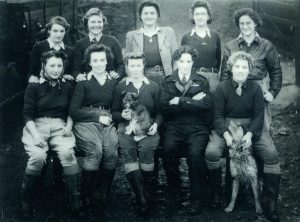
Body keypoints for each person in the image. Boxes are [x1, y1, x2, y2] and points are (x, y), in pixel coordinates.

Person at [206, 51, 281, 222]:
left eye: (244, 67)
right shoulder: (222, 88)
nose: (240, 70)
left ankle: (269, 202)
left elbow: (258, 116)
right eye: (237, 67)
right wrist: (225, 135)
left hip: (251, 128)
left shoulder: (256, 88)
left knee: (270, 153)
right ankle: (217, 195)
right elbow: (217, 116)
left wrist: (249, 135)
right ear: (231, 69)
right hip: (227, 127)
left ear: (249, 70)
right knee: (211, 152)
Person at [21, 51, 81, 219]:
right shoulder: (33, 85)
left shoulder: (68, 85)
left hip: (60, 125)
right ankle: (27, 200)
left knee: (68, 153)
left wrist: (69, 127)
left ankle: (75, 199)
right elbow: (27, 114)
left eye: (59, 66)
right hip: (37, 125)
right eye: (52, 65)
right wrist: (36, 135)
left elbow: (72, 110)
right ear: (44, 66)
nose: (56, 69)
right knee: (38, 156)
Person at [160, 45, 212, 215]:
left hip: (197, 127)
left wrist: (179, 100)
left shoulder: (202, 81)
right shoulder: (168, 81)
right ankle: (175, 192)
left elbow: (205, 106)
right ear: (176, 61)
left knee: (196, 154)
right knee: (167, 150)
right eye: (181, 61)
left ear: (193, 62)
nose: (184, 65)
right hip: (174, 126)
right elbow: (164, 108)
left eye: (188, 61)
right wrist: (191, 101)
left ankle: (196, 197)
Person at [69, 44, 119, 217]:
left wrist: (112, 116)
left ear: (107, 61)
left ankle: (103, 191)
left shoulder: (114, 81)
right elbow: (74, 110)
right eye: (95, 61)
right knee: (95, 150)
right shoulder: (83, 82)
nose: (99, 64)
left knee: (112, 150)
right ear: (89, 63)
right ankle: (87, 194)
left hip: (108, 121)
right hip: (86, 121)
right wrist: (97, 116)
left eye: (102, 60)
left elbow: (117, 107)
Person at [112, 52, 162, 214]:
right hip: (126, 128)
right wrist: (122, 115)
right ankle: (141, 197)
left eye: (138, 65)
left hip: (147, 126)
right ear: (127, 67)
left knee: (147, 150)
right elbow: (114, 112)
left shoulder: (153, 86)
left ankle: (147, 190)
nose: (135, 69)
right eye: (131, 65)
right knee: (128, 152)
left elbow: (161, 112)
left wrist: (156, 124)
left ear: (143, 66)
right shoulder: (121, 85)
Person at [221, 8, 282, 132]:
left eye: (248, 23)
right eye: (241, 23)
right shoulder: (230, 46)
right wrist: (225, 94)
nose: (245, 26)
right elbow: (225, 73)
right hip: (235, 89)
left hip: (259, 90)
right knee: (236, 128)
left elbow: (276, 71)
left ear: (255, 23)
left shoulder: (267, 46)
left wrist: (272, 92)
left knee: (262, 129)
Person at [125, 0, 178, 85]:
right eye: (145, 13)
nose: (149, 16)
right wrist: (134, 80)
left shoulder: (168, 32)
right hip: (141, 78)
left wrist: (175, 78)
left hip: (165, 77)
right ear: (140, 16)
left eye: (152, 13)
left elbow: (176, 58)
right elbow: (127, 62)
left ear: (157, 15)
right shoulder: (132, 35)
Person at [73, 7, 124, 80]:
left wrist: (117, 74)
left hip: (109, 82)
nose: (96, 25)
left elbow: (120, 65)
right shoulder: (80, 44)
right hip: (88, 83)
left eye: (99, 22)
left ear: (103, 23)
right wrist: (78, 75)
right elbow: (75, 69)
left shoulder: (113, 41)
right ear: (87, 23)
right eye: (93, 22)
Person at [181, 0, 221, 93]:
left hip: (212, 79)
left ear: (208, 16)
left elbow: (218, 60)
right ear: (193, 16)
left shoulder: (215, 36)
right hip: (193, 78)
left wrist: (212, 76)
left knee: (212, 106)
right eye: (197, 14)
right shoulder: (186, 37)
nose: (200, 17)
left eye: (203, 14)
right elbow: (183, 61)